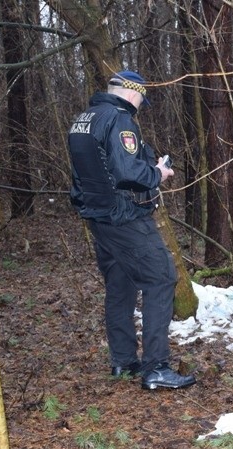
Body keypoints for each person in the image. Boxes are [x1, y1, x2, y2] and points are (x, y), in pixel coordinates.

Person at [68, 70, 195, 390]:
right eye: (141, 99)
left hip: (98, 218)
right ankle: (156, 368)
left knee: (120, 285)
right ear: (131, 93)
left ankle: (124, 361)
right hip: (124, 216)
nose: (140, 106)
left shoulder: (84, 119)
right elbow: (127, 172)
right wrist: (157, 172)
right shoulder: (120, 119)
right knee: (162, 277)